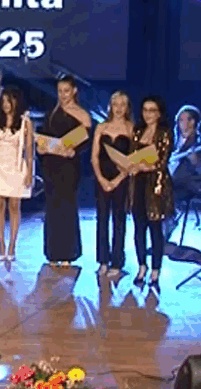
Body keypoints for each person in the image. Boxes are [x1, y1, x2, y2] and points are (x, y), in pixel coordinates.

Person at [37, 76, 92, 266]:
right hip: (51, 165)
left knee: (67, 207)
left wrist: (74, 151)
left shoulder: (82, 114)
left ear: (74, 91)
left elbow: (86, 142)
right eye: (60, 91)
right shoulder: (52, 112)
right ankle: (52, 253)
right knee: (52, 209)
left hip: (69, 166)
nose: (63, 95)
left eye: (66, 91)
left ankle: (68, 253)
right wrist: (41, 148)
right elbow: (45, 135)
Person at [127, 96, 174, 292]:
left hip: (156, 185)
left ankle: (156, 271)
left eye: (152, 110)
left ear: (159, 113)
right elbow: (131, 156)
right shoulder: (138, 131)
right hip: (137, 184)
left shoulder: (165, 133)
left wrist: (143, 166)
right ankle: (141, 267)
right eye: (145, 110)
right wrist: (130, 165)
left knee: (155, 229)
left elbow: (162, 161)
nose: (148, 114)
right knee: (139, 229)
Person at [0, 86, 34, 261]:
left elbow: (29, 150)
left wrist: (30, 172)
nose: (6, 104)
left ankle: (12, 245)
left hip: (16, 167)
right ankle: (1, 245)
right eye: (3, 101)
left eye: (9, 101)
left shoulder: (25, 122)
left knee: (14, 206)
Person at [91, 91, 134, 276]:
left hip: (121, 180)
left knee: (119, 220)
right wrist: (101, 179)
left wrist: (117, 180)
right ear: (110, 106)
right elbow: (94, 156)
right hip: (102, 178)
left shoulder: (131, 128)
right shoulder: (101, 127)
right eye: (115, 104)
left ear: (127, 108)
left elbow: (133, 159)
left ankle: (117, 262)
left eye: (122, 105)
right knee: (102, 219)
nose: (118, 108)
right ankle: (103, 261)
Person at [164, 105, 201, 240]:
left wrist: (195, 160)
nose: (184, 124)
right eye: (180, 120)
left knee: (166, 192)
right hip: (168, 179)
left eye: (187, 120)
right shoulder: (173, 140)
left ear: (194, 122)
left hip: (188, 184)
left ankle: (167, 225)